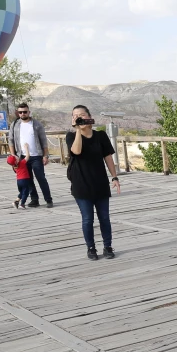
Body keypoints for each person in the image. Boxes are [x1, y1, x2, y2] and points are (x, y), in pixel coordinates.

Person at [66, 105, 118, 259]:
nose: (79, 117)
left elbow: (108, 157)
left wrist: (114, 177)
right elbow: (76, 151)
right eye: (75, 116)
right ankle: (91, 248)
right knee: (88, 219)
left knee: (104, 218)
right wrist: (78, 130)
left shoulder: (100, 136)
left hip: (100, 183)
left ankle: (107, 246)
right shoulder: (71, 136)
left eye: (82, 115)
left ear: (89, 116)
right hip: (81, 184)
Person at [11, 104, 53, 207]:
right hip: (22, 156)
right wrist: (13, 155)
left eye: (25, 112)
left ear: (29, 112)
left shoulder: (37, 124)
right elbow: (11, 141)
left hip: (36, 156)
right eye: (20, 112)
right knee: (28, 179)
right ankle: (34, 200)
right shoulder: (15, 124)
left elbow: (44, 141)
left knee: (41, 178)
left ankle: (48, 200)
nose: (22, 114)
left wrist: (45, 156)